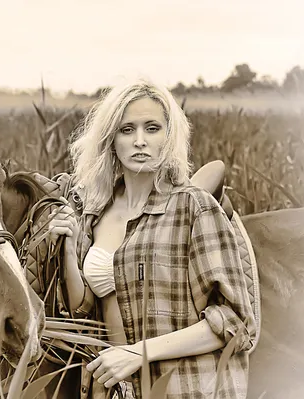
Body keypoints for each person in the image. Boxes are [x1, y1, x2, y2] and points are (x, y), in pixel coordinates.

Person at [49, 77, 257, 399]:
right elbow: (84, 309)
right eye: (127, 129)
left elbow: (235, 322)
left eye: (152, 128)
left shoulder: (193, 207)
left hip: (182, 387)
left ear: (168, 137)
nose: (140, 141)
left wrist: (137, 353)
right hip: (115, 389)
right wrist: (68, 246)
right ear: (111, 140)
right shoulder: (95, 211)